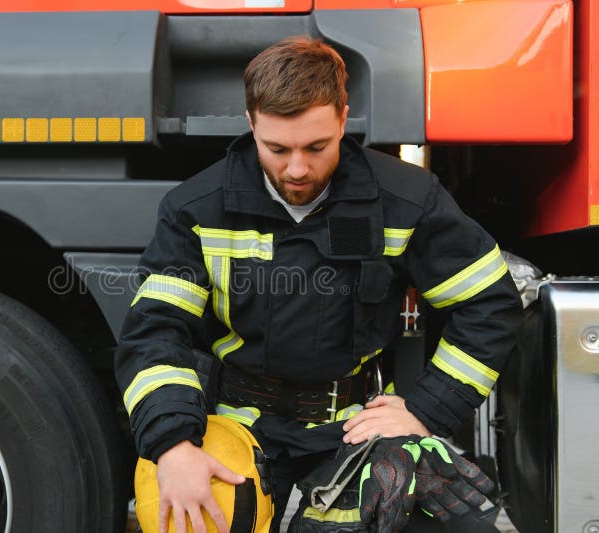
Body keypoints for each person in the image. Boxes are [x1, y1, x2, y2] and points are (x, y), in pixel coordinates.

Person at [115, 36, 522, 533]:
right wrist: (173, 445)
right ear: (251, 122)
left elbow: (491, 304)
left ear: (344, 116)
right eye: (277, 148)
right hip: (239, 422)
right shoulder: (196, 210)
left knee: (419, 507)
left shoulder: (405, 200)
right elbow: (155, 332)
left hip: (355, 421)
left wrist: (427, 409)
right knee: (189, 512)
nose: (297, 169)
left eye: (317, 146)